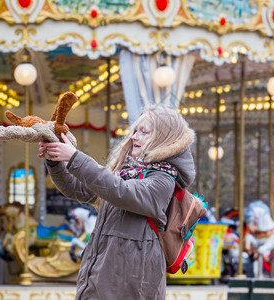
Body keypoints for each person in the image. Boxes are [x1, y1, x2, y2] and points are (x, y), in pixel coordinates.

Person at [38, 105, 195, 300]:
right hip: (99, 281)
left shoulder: (163, 180)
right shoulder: (126, 172)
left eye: (144, 132)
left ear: (163, 138)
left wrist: (75, 157)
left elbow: (121, 191)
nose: (134, 137)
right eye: (135, 131)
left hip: (130, 287)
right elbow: (77, 189)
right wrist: (54, 161)